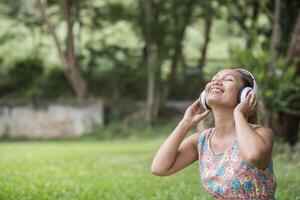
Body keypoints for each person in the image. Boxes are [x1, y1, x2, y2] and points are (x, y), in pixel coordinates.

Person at [151, 68, 277, 199]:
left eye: (228, 79)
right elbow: (159, 168)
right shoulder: (202, 140)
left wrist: (239, 114)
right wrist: (185, 124)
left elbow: (253, 155)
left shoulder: (261, 133)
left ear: (245, 95)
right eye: (214, 79)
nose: (217, 81)